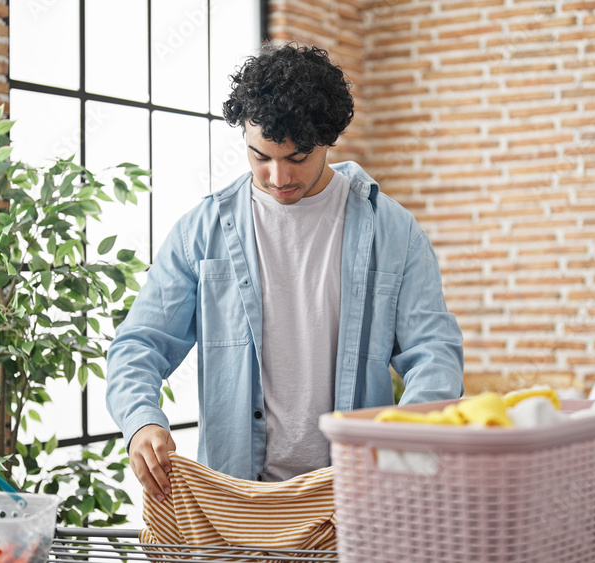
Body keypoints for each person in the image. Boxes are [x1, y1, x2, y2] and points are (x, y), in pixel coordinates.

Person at [106, 43, 463, 502]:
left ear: (328, 139)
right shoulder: (202, 231)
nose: (278, 177)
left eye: (296, 158)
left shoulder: (392, 230)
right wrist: (142, 422)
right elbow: (139, 344)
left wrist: (404, 442)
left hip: (354, 497)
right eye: (260, 157)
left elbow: (435, 353)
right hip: (236, 502)